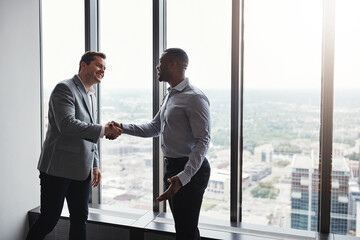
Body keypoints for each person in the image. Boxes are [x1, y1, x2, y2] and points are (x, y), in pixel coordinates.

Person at [112, 48, 211, 240]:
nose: (158, 66)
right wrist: (122, 127)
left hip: (190, 170)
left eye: (161, 62)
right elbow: (154, 127)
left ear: (173, 64)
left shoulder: (194, 97)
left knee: (187, 230)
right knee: (182, 228)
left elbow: (203, 140)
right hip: (173, 168)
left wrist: (183, 177)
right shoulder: (171, 95)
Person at [26, 51, 122, 240]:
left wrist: (95, 165)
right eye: (99, 65)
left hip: (82, 169)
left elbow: (87, 133)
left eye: (104, 68)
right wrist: (103, 130)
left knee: (80, 219)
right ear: (83, 65)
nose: (103, 70)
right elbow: (67, 125)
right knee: (48, 220)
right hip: (58, 169)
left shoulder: (91, 94)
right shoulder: (65, 88)